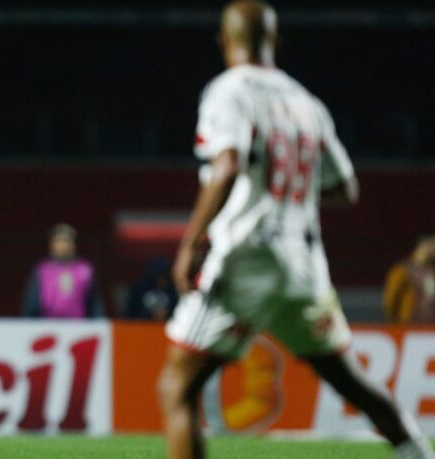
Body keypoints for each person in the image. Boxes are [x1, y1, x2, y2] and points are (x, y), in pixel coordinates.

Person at [157, 2, 435, 459]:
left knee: (177, 388)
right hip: (304, 268)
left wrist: (189, 243)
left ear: (224, 42)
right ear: (276, 42)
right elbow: (345, 187)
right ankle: (418, 452)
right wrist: (289, 194)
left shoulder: (228, 92)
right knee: (352, 382)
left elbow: (226, 166)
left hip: (246, 260)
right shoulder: (307, 103)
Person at [22, 223, 104, 318]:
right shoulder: (42, 271)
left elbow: (95, 306)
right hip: (47, 327)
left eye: (66, 241)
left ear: (74, 245)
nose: (63, 245)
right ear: (51, 245)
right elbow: (31, 305)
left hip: (79, 328)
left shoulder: (85, 270)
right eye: (58, 241)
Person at [384, 235, 435, 323]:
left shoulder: (432, 271)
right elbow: (391, 301)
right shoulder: (402, 271)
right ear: (420, 248)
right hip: (409, 324)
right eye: (429, 247)